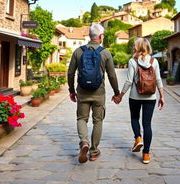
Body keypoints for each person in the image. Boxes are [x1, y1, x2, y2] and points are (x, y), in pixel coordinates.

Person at [68, 24, 120, 163]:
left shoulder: (78, 51)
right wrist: (117, 93)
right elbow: (112, 75)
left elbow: (70, 73)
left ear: (90, 36)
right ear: (100, 37)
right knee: (98, 121)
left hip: (82, 92)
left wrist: (71, 90)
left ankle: (84, 142)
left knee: (81, 119)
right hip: (99, 93)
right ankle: (94, 151)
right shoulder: (105, 53)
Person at [113, 38, 164, 164]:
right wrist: (162, 96)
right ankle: (146, 154)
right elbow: (158, 80)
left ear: (137, 47)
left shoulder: (132, 61)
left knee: (134, 118)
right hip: (150, 97)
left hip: (135, 96)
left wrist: (120, 95)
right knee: (147, 124)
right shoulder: (154, 61)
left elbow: (129, 81)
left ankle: (138, 138)